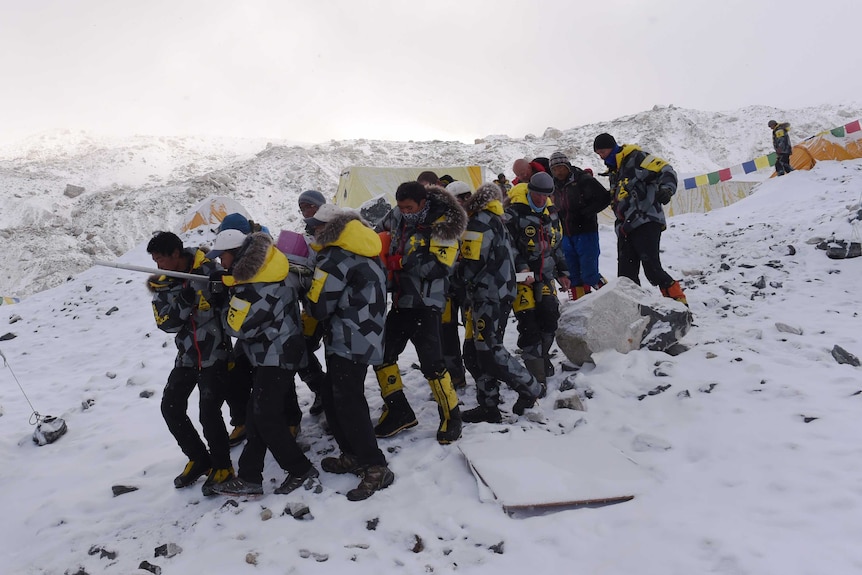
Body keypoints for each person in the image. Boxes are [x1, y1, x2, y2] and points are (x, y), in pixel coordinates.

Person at [208, 229, 320, 496]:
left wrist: (222, 300)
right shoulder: (268, 269)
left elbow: (237, 326)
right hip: (277, 351)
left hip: (276, 356)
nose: (220, 263)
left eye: (222, 257)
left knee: (266, 416)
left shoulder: (257, 287)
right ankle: (250, 476)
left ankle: (300, 470)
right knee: (256, 414)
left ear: (235, 256)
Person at [303, 204, 395, 501]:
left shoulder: (334, 257)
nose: (311, 232)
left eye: (315, 227)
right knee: (334, 394)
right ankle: (352, 454)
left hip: (347, 338)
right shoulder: (364, 246)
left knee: (348, 401)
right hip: (367, 333)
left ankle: (374, 465)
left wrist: (305, 286)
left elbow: (319, 307)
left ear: (328, 229)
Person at [374, 181, 468, 444]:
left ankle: (451, 417)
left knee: (433, 365)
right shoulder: (397, 215)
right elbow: (376, 233)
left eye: (409, 207)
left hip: (427, 304)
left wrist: (402, 262)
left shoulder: (443, 222)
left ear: (423, 203)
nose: (404, 212)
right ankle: (399, 410)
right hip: (402, 300)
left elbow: (440, 266)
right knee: (382, 356)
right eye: (401, 207)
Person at [145, 231, 234, 496]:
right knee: (170, 407)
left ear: (176, 253)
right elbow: (167, 324)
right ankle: (198, 458)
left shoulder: (210, 270)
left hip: (215, 353)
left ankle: (223, 467)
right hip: (186, 356)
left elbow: (234, 305)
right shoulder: (163, 284)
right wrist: (184, 300)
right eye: (154, 260)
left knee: (209, 411)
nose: (158, 265)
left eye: (161, 258)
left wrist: (220, 293)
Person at [457, 183, 543, 422]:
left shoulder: (478, 223)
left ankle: (530, 387)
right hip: (493, 293)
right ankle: (488, 405)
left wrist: (448, 276)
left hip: (489, 295)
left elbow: (470, 266)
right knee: (475, 352)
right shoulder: (492, 218)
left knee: (489, 350)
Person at [592, 132, 687, 305]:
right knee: (626, 277)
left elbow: (666, 169)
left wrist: (667, 189)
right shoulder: (614, 171)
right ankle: (634, 311)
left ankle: (679, 303)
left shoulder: (637, 158)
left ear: (612, 147)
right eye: (598, 154)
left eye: (602, 152)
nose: (601, 156)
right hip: (624, 227)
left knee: (652, 270)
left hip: (645, 220)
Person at [506, 172, 571, 395]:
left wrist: (563, 271)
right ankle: (536, 376)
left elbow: (557, 245)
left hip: (545, 276)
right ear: (529, 191)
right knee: (529, 324)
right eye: (537, 194)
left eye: (546, 196)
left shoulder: (551, 214)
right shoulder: (514, 213)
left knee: (550, 318)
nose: (541, 199)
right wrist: (521, 266)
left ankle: (542, 358)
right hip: (522, 279)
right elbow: (509, 246)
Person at [548, 152, 612, 300]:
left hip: (586, 232)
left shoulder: (583, 179)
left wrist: (587, 212)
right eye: (555, 169)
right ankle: (578, 304)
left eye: (561, 168)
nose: (558, 172)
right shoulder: (553, 185)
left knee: (590, 273)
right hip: (565, 234)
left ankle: (611, 297)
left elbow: (604, 197)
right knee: (572, 274)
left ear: (567, 166)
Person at [293, 190, 329, 417]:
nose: (307, 212)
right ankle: (321, 388)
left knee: (339, 356)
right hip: (311, 305)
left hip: (336, 304)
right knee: (300, 349)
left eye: (309, 206)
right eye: (303, 208)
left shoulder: (333, 230)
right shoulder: (303, 237)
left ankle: (337, 395)